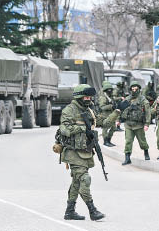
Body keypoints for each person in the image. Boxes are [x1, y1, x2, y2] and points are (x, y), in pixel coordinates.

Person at [58, 84, 105, 221]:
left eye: (90, 96)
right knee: (85, 179)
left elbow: (101, 121)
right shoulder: (69, 110)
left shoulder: (89, 111)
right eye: (86, 96)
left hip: (85, 151)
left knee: (76, 182)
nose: (88, 99)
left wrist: (116, 113)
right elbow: (64, 129)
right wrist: (82, 128)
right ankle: (93, 210)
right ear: (79, 96)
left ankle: (69, 211)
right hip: (73, 152)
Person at [121, 81, 151, 165]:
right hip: (128, 124)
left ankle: (146, 152)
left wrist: (147, 124)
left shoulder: (142, 99)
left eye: (136, 88)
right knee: (128, 141)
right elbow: (120, 109)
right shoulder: (128, 99)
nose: (134, 90)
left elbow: (148, 112)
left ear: (139, 89)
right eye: (132, 88)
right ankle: (127, 158)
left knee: (142, 141)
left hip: (139, 125)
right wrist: (117, 120)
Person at [98, 83, 116, 147]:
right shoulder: (103, 97)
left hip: (111, 114)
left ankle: (109, 140)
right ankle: (105, 141)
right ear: (105, 90)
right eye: (108, 90)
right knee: (105, 128)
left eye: (111, 89)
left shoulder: (110, 97)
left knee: (114, 127)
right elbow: (102, 107)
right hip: (105, 115)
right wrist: (111, 106)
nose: (110, 91)